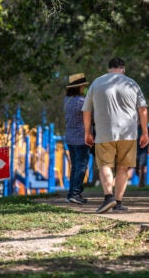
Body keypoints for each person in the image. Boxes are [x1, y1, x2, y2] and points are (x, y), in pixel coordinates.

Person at [82, 57, 149, 214]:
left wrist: (87, 132)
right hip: (128, 134)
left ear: (108, 68)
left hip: (104, 133)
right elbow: (143, 109)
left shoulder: (96, 83)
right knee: (123, 168)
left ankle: (108, 198)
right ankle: (118, 203)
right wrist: (145, 133)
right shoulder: (132, 84)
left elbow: (86, 110)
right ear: (123, 69)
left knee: (104, 165)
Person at [64, 73, 91, 204]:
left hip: (70, 138)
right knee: (81, 166)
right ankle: (76, 193)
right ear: (79, 87)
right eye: (83, 86)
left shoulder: (67, 101)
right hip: (81, 138)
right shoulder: (82, 101)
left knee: (75, 166)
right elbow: (90, 117)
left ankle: (71, 193)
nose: (85, 89)